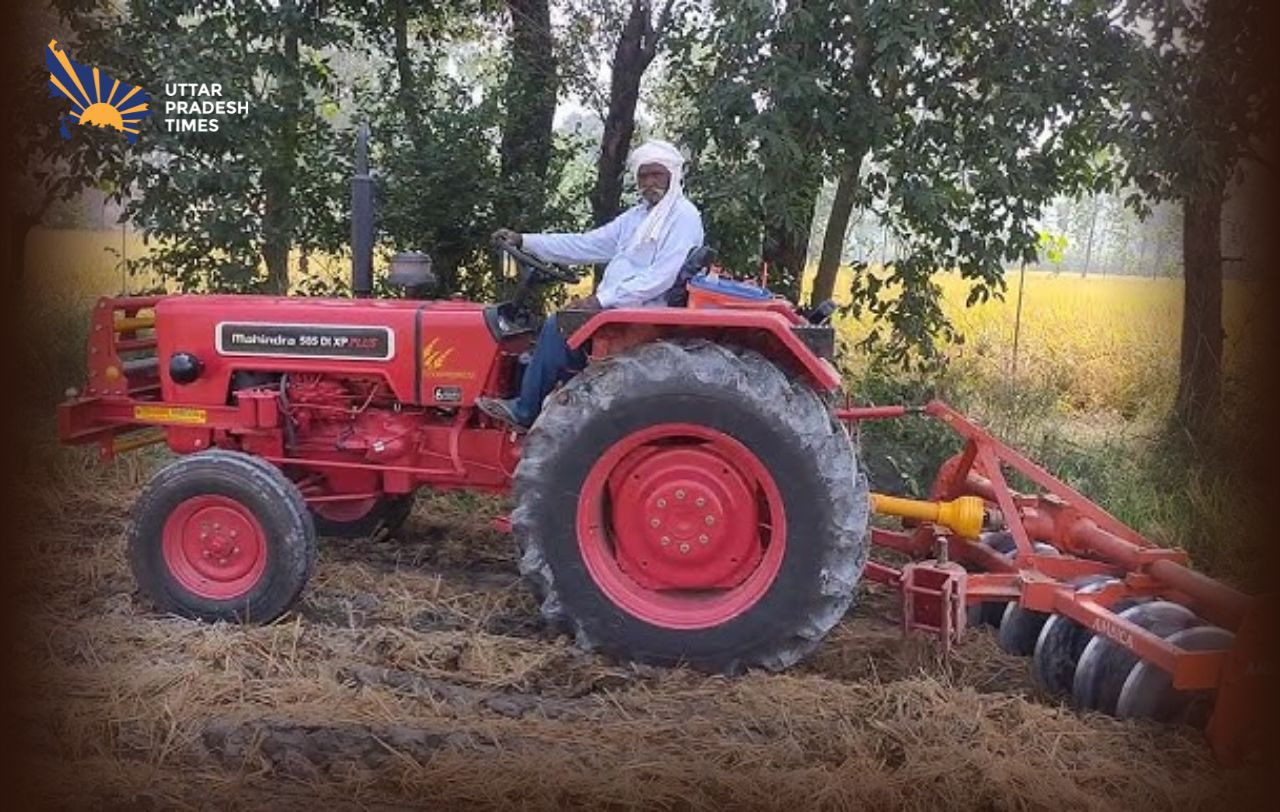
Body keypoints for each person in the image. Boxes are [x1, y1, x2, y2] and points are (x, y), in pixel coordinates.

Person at [477, 139, 705, 429]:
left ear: (673, 176)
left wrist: (602, 300)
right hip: (624, 305)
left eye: (656, 175)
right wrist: (526, 240)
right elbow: (586, 245)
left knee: (558, 325)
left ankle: (525, 411)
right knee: (561, 329)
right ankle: (564, 397)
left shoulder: (682, 216)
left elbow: (660, 278)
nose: (649, 182)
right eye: (643, 175)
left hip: (642, 309)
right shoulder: (638, 217)